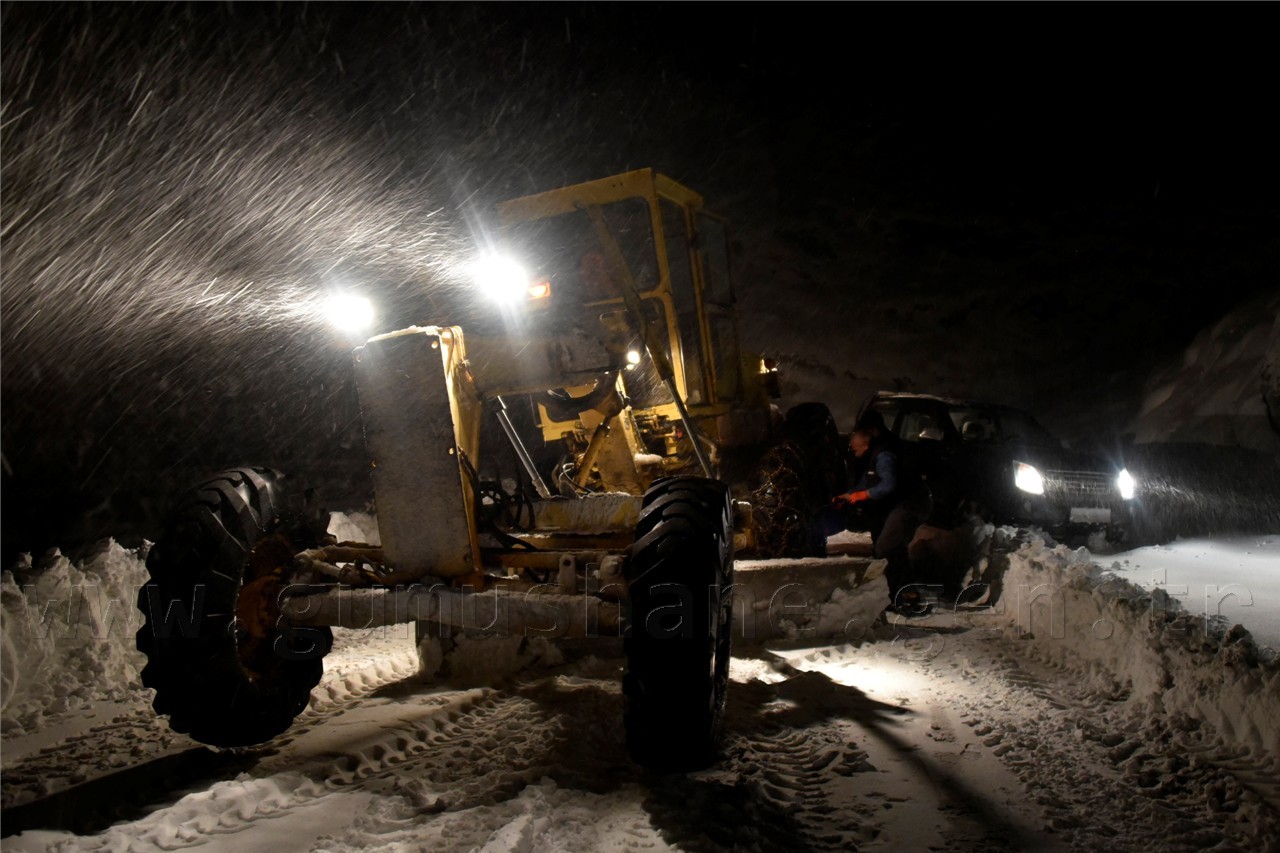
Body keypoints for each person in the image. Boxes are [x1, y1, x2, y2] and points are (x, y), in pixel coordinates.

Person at [830, 410, 933, 614]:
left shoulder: (885, 453)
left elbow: (888, 485)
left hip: (910, 504)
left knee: (887, 546)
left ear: (869, 437)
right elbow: (866, 481)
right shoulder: (875, 452)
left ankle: (908, 597)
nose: (853, 451)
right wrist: (848, 495)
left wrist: (863, 495)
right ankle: (896, 595)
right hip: (898, 504)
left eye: (855, 448)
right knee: (887, 546)